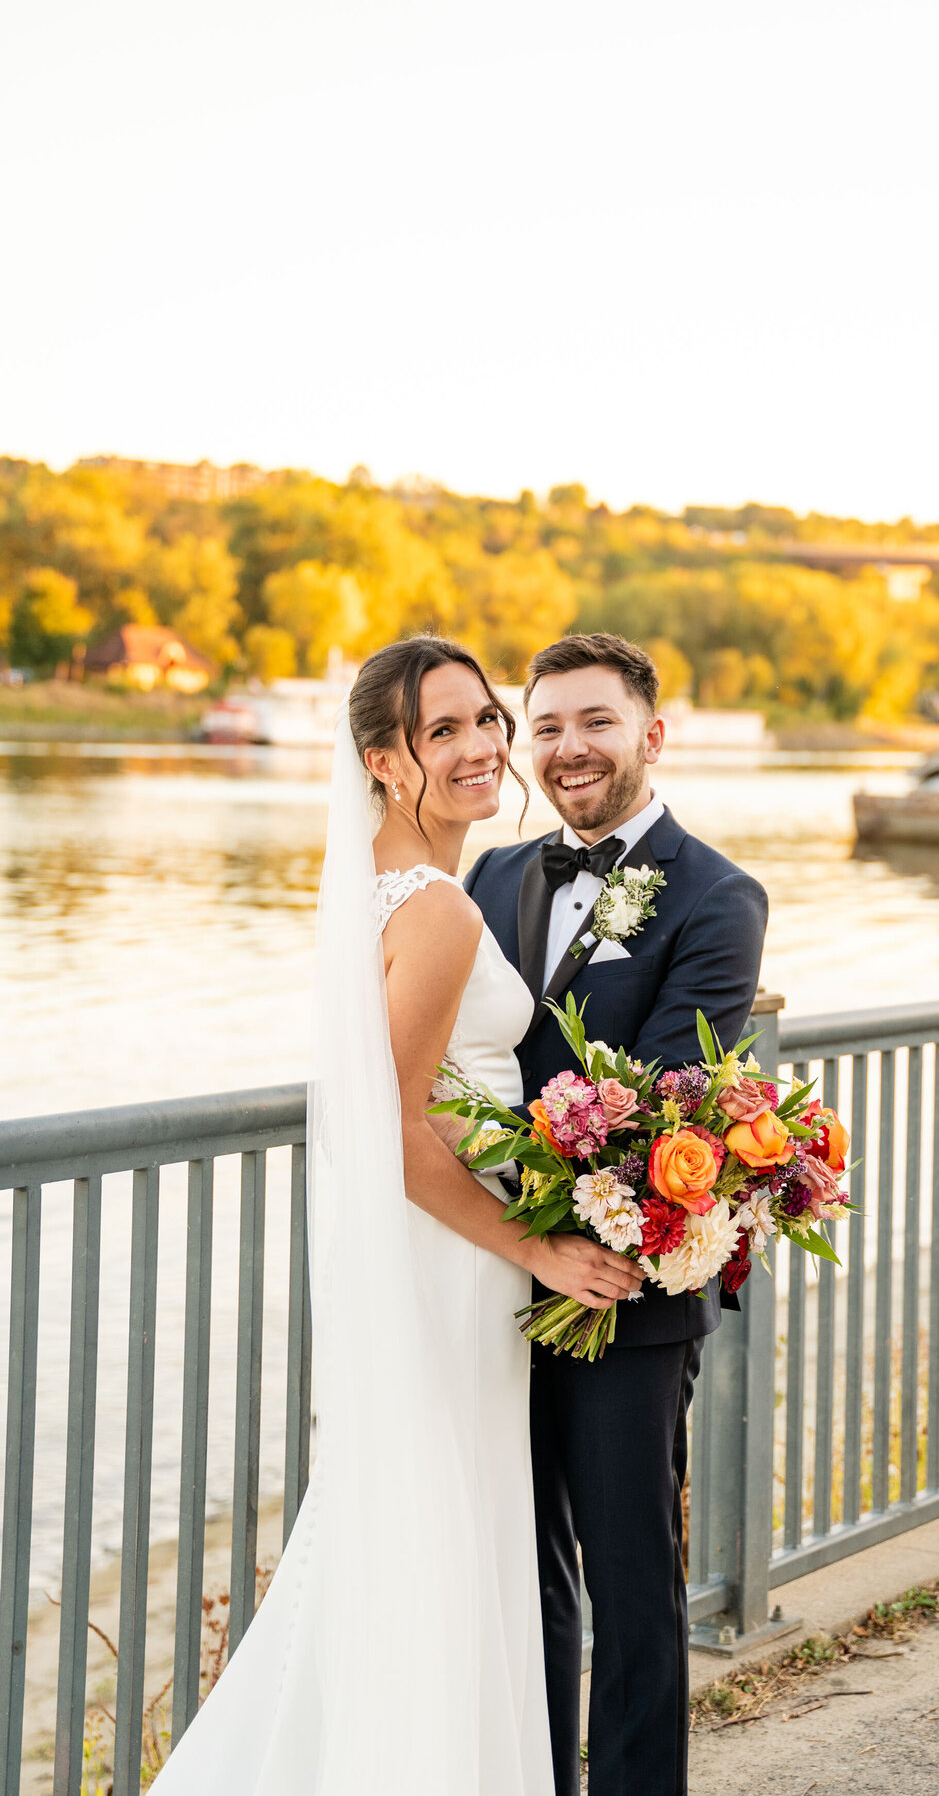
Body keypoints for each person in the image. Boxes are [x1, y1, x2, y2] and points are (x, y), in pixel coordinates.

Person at [153, 634, 642, 1794]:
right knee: (439, 1535)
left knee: (411, 1529)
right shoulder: (436, 910)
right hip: (453, 1262)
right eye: (443, 732)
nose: (481, 747)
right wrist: (540, 1250)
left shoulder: (384, 882)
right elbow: (401, 1129)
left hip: (428, 1257)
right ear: (383, 760)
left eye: (486, 720)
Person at [465, 632, 769, 1796]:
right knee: (520, 1572)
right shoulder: (491, 877)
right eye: (544, 727)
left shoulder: (718, 895)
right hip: (494, 1277)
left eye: (594, 722)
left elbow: (663, 1100)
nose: (567, 748)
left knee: (632, 1582)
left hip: (622, 1293)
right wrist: (497, 1229)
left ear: (652, 733)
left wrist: (555, 1230)